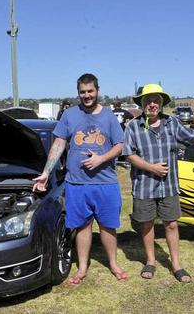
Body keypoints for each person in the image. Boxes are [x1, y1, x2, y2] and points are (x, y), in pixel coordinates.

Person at [123, 84, 194, 283]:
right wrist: (151, 168)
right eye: (147, 100)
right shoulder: (133, 126)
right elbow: (129, 155)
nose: (152, 104)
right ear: (142, 103)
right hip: (143, 185)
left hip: (168, 185)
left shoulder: (172, 123)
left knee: (172, 224)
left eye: (156, 100)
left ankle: (176, 264)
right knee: (147, 225)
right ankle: (150, 261)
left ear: (162, 103)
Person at [33, 73, 127, 285]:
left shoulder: (109, 117)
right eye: (82, 92)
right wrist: (47, 172)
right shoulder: (69, 115)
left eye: (90, 91)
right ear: (78, 93)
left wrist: (101, 158)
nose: (87, 95)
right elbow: (58, 144)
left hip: (106, 182)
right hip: (76, 183)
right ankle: (83, 267)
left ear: (97, 90)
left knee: (107, 226)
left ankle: (113, 263)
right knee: (83, 226)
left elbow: (120, 146)